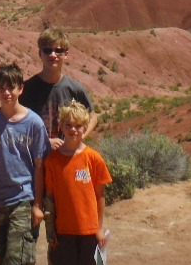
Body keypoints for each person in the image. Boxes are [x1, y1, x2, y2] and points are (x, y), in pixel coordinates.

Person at [0, 63, 50, 265]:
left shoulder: (34, 123)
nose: (7, 92)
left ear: (21, 88)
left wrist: (37, 204)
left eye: (11, 87)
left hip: (23, 200)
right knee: (2, 256)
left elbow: (40, 165)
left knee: (18, 259)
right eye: (1, 88)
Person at [43, 101, 112, 265]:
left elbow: (100, 196)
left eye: (78, 126)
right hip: (63, 231)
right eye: (68, 125)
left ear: (85, 127)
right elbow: (50, 198)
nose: (73, 130)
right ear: (61, 126)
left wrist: (99, 229)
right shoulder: (53, 160)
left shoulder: (94, 158)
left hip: (89, 231)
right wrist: (51, 231)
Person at [20, 27, 96, 151]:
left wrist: (78, 137)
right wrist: (45, 142)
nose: (53, 55)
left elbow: (93, 117)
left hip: (66, 159)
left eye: (58, 50)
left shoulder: (74, 88)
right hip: (35, 161)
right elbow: (15, 125)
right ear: (40, 53)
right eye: (47, 50)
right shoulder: (27, 89)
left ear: (66, 54)